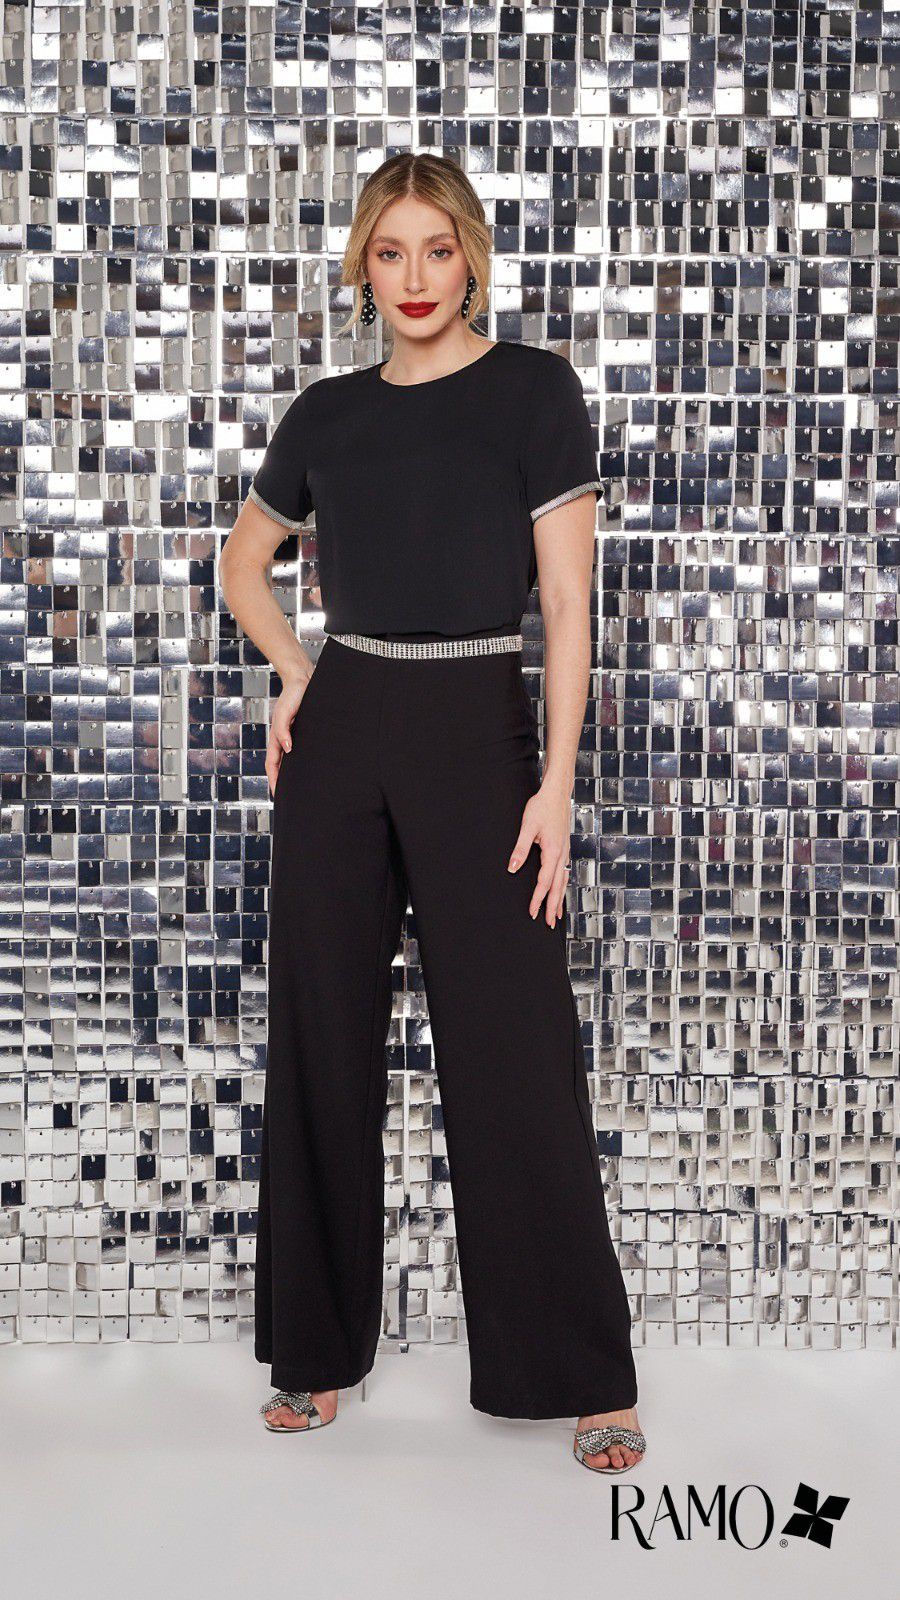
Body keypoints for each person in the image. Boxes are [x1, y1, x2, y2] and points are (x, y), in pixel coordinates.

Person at [220, 151, 647, 1475]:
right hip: (346, 732)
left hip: (481, 733)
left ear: (471, 259)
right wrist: (298, 671)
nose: (415, 276)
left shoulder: (534, 390)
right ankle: (313, 1357)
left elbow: (566, 604)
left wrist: (556, 786)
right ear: (364, 265)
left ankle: (582, 1375)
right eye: (390, 250)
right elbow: (243, 566)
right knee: (321, 1036)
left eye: (438, 249)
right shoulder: (326, 415)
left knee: (515, 1049)